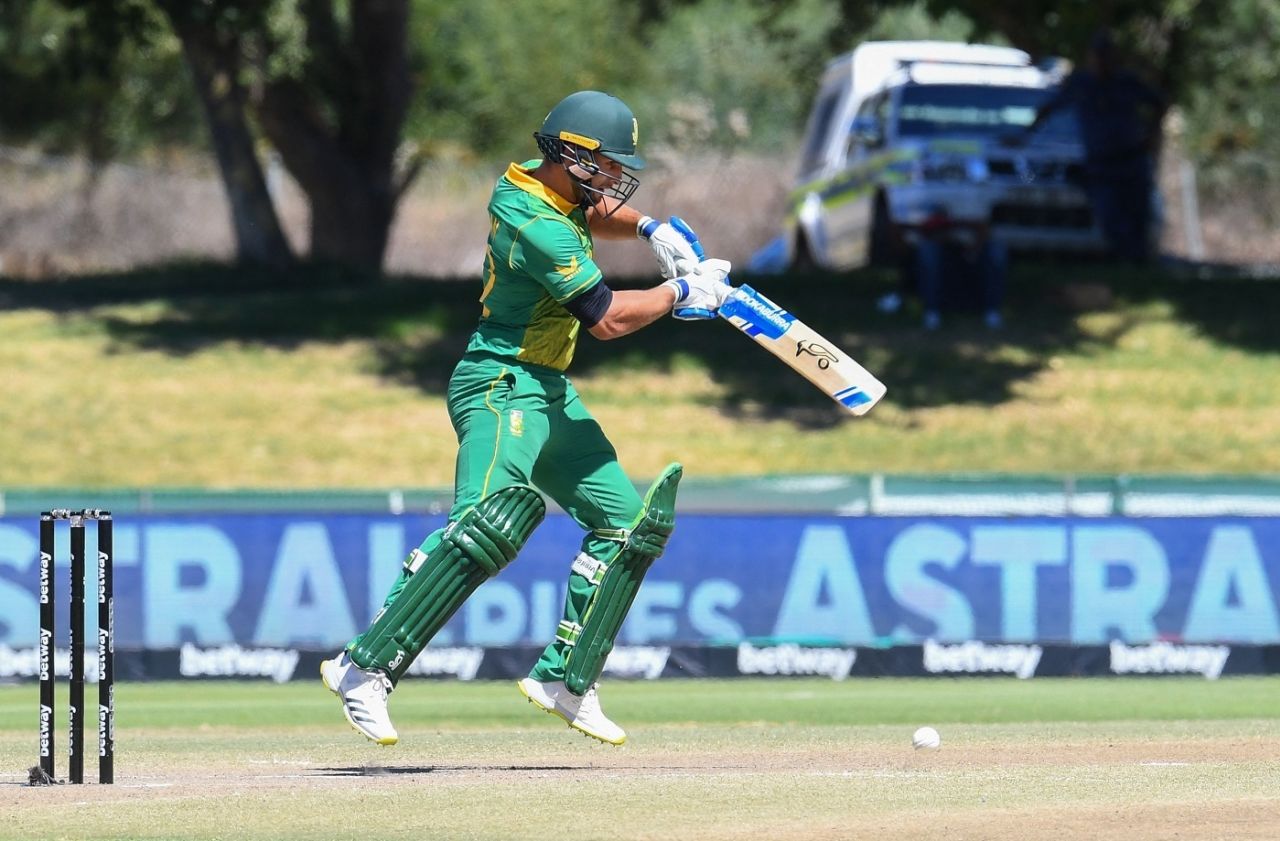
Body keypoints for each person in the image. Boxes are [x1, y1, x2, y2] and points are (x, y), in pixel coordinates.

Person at [318, 90, 733, 748]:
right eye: (605, 163)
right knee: (483, 529)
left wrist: (653, 229)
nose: (613, 177)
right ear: (570, 154)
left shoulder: (552, 188)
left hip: (547, 388)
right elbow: (607, 318)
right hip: (500, 383)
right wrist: (682, 292)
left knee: (627, 526)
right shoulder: (532, 222)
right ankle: (362, 666)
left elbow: (597, 211)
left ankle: (567, 678)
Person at [1023, 29, 1166, 262]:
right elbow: (1049, 109)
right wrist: (1024, 135)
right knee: (1109, 216)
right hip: (1101, 164)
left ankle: (1138, 265)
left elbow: (1158, 103)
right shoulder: (1081, 84)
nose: (1102, 61)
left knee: (1137, 215)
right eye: (1098, 55)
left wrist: (1150, 134)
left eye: (1106, 55)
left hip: (1132, 161)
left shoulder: (1127, 82)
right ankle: (1120, 259)